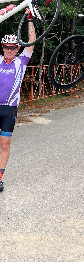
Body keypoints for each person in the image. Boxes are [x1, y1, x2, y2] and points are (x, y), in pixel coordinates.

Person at [0, 11, 35, 192]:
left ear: (18, 49)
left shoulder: (21, 62)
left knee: (4, 144)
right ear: (3, 47)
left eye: (13, 47)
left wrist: (29, 19)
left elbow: (32, 41)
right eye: (6, 47)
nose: (9, 50)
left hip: (9, 109)